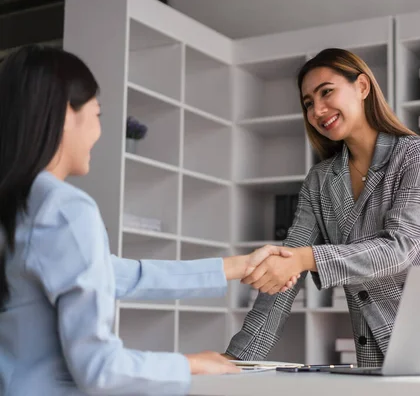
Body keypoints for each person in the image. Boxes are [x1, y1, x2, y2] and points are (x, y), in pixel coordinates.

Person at [0, 45, 299, 395]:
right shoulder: (67, 210)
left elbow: (124, 274)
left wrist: (238, 266)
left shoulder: (19, 208)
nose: (99, 132)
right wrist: (192, 364)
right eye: (97, 114)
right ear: (67, 113)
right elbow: (100, 369)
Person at [223, 48, 420, 367]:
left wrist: (304, 259)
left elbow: (400, 249)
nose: (318, 110)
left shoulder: (418, 156)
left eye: (327, 92)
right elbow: (286, 271)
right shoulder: (320, 180)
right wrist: (235, 360)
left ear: (362, 87)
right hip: (378, 343)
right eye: (308, 103)